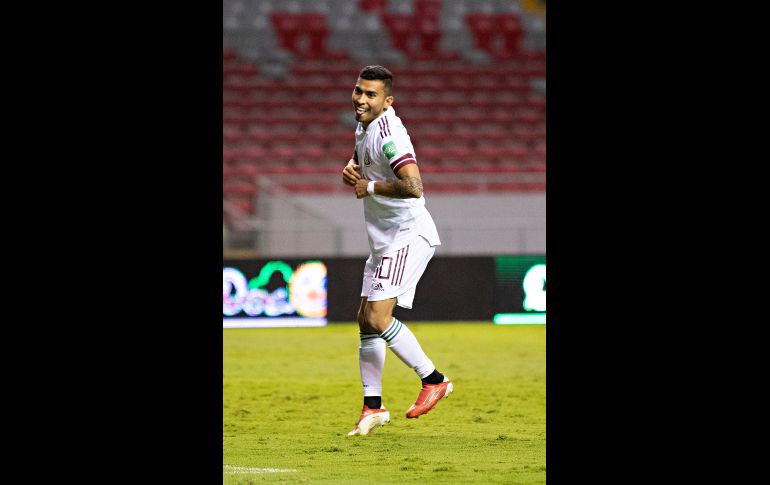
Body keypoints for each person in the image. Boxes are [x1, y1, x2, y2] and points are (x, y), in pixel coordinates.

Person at [342, 65, 452, 436]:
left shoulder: (390, 135)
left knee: (377, 317)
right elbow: (365, 161)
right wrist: (352, 169)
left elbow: (414, 185)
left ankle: (434, 379)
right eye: (358, 90)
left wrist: (369, 188)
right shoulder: (365, 125)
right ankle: (373, 407)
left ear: (387, 101)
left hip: (406, 234)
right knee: (365, 319)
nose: (361, 99)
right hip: (384, 237)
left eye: (370, 94)